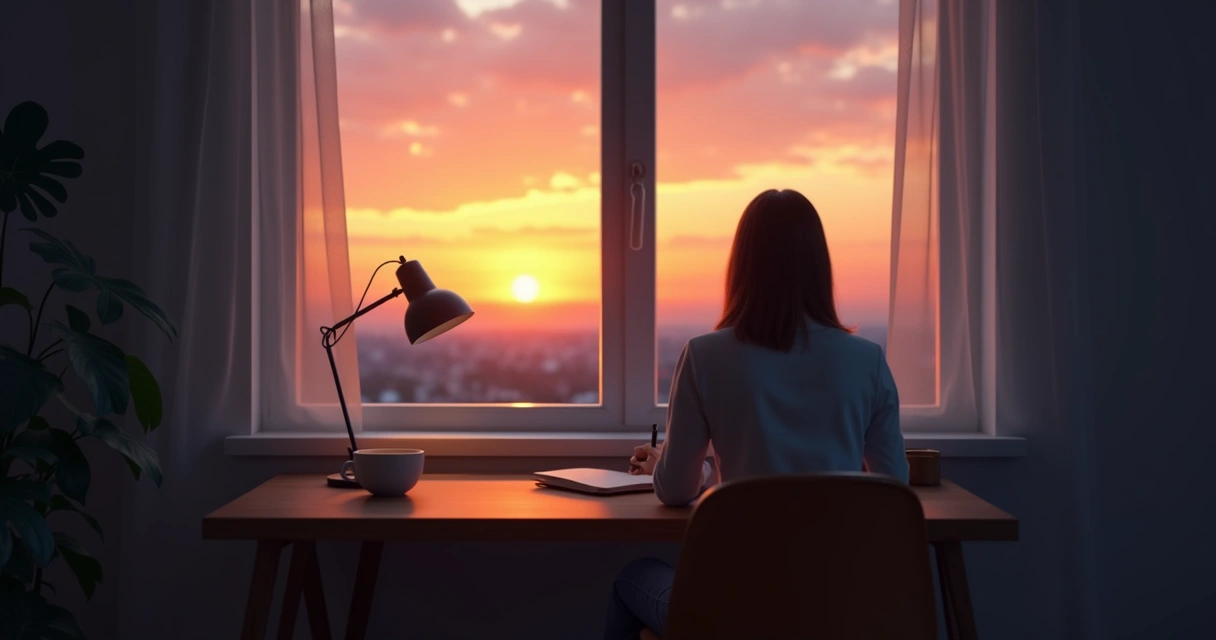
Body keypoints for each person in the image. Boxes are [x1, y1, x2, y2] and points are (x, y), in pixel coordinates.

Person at [603, 189, 908, 640]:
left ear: (741, 265)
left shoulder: (705, 356)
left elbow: (673, 491)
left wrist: (688, 466)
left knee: (634, 575)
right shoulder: (867, 361)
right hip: (838, 612)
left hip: (733, 613)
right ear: (820, 265)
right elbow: (893, 489)